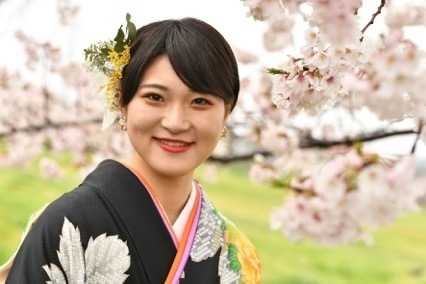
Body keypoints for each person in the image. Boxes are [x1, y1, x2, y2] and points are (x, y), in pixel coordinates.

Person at [1, 15, 261, 284]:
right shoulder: (67, 223)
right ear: (122, 102)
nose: (175, 123)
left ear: (226, 113)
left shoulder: (239, 253)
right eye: (155, 97)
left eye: (200, 101)